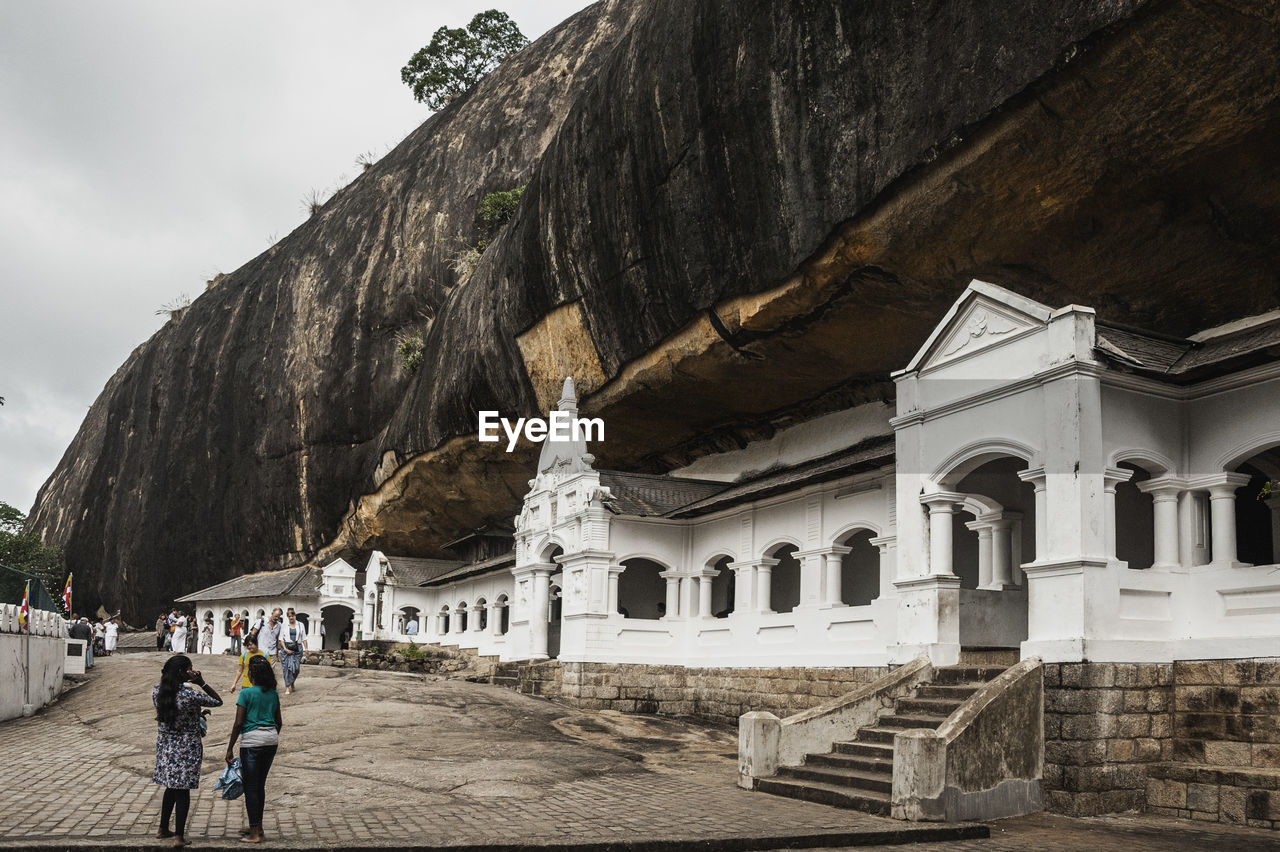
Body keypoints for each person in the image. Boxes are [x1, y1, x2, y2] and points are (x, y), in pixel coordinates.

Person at [152, 654, 222, 848]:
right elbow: (218, 701)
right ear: (183, 673)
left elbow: (173, 713)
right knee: (183, 792)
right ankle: (179, 837)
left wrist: (195, 714)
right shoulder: (191, 695)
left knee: (170, 787)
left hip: (166, 748)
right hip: (186, 748)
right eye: (190, 669)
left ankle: (163, 828)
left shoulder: (157, 691)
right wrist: (202, 682)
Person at [226, 656, 282, 844]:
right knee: (259, 785)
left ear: (252, 675)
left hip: (251, 742)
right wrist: (270, 736)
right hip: (271, 740)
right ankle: (256, 825)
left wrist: (229, 748)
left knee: (251, 787)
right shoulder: (273, 694)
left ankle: (255, 833)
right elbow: (279, 722)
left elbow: (238, 723)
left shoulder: (246, 694)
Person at [278, 608, 308, 695]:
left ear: (295, 616)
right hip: (286, 647)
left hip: (297, 648)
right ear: (287, 617)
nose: (291, 618)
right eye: (289, 616)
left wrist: (306, 649)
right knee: (286, 668)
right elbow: (281, 639)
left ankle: (292, 682)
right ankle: (287, 686)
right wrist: (285, 649)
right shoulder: (284, 625)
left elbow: (304, 638)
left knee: (296, 669)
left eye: (292, 616)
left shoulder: (300, 625)